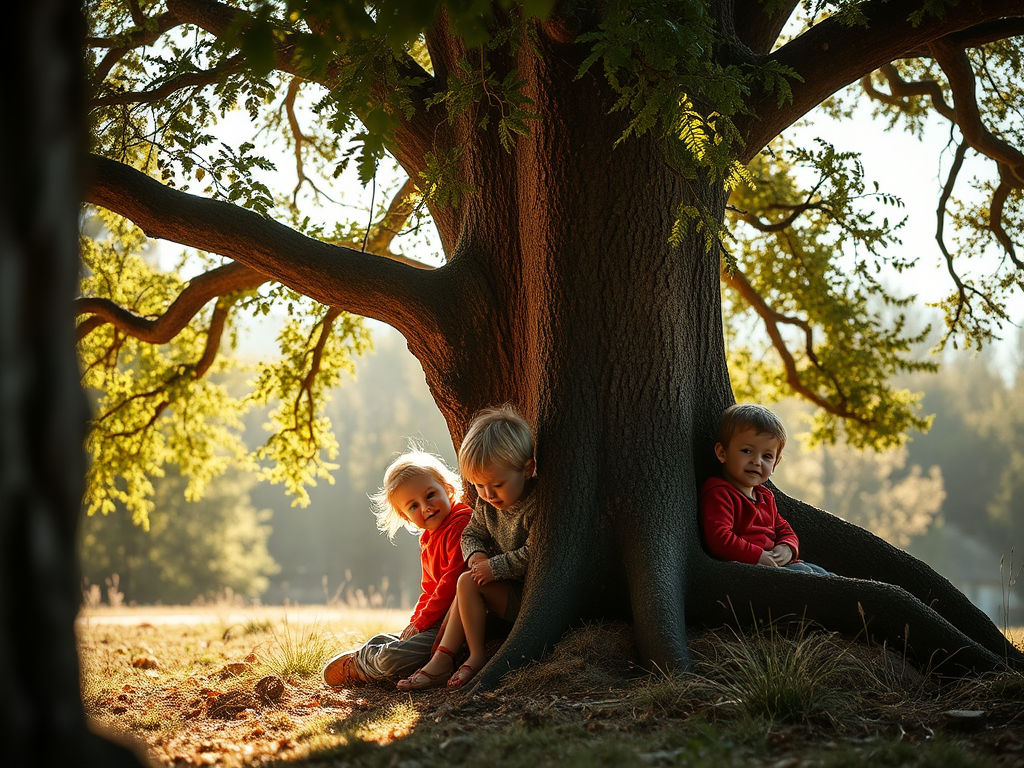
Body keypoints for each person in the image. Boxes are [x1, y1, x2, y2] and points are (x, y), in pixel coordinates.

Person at [397, 405, 537, 691]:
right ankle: (446, 657)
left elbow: (535, 551)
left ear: (529, 469)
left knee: (465, 581)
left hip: (526, 597)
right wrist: (477, 555)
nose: (487, 495)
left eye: (496, 484)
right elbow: (471, 534)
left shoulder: (535, 507)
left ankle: (469, 657)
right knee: (467, 580)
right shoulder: (487, 505)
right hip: (496, 590)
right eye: (479, 486)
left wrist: (494, 568)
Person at [323, 449, 472, 687]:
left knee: (392, 658)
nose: (426, 507)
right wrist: (413, 624)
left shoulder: (460, 523)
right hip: (435, 623)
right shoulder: (429, 537)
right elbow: (429, 588)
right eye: (413, 506)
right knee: (386, 641)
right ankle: (372, 654)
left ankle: (366, 665)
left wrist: (422, 623)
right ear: (405, 517)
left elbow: (450, 583)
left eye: (430, 494)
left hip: (454, 625)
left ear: (448, 489)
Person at [700, 403, 830, 575]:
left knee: (822, 574)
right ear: (722, 453)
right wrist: (756, 556)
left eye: (767, 456)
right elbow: (719, 538)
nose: (756, 461)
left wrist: (788, 547)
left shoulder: (764, 496)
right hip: (750, 570)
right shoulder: (720, 493)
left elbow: (783, 528)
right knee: (808, 576)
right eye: (747, 451)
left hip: (777, 564)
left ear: (775, 464)